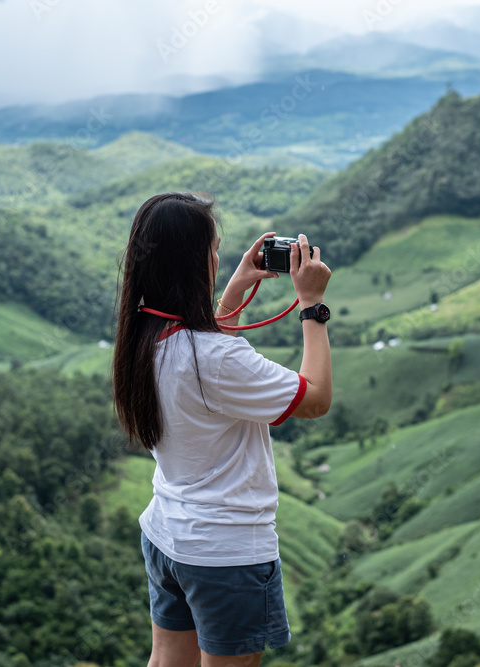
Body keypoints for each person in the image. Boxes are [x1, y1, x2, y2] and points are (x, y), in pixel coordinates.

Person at [111, 192, 333, 667]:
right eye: (214, 251)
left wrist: (235, 287)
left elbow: (202, 349)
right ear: (194, 264)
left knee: (167, 661)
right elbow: (315, 399)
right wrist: (312, 305)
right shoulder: (215, 360)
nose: (218, 259)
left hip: (167, 534)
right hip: (226, 553)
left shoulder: (142, 336)